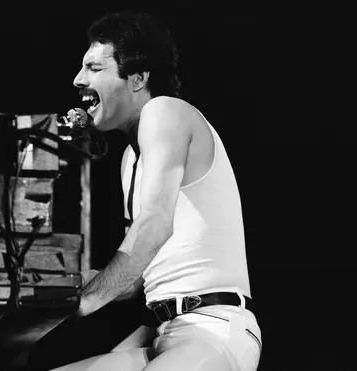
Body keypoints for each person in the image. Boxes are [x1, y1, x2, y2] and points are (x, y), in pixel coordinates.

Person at [48, 10, 262, 371]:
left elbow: (155, 226)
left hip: (214, 330)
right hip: (166, 333)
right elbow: (134, 281)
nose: (78, 79)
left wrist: (88, 298)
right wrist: (53, 286)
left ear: (138, 77)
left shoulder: (165, 111)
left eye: (95, 68)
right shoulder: (131, 158)